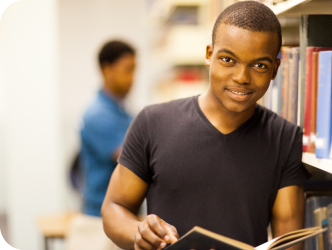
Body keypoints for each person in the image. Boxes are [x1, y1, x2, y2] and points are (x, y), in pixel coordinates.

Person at [102, 2, 310, 250]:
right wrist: (139, 232)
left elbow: (288, 241)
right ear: (209, 55)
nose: (242, 77)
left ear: (275, 69)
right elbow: (114, 207)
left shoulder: (284, 138)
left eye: (259, 65)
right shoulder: (152, 123)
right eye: (228, 59)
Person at [66, 40, 136, 250]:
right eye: (127, 70)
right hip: (99, 222)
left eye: (135, 70)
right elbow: (132, 159)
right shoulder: (97, 114)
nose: (133, 78)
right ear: (106, 69)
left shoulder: (123, 112)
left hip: (122, 216)